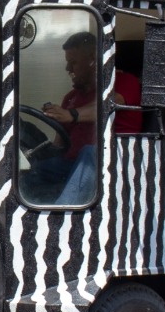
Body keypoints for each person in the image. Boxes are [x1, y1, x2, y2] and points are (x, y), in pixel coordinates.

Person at [30, 31, 141, 202]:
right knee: (31, 170)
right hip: (70, 166)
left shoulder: (125, 82)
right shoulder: (70, 97)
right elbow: (58, 145)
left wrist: (72, 115)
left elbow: (108, 104)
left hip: (112, 164)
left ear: (92, 60)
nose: (68, 69)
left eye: (73, 63)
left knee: (90, 152)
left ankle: (64, 219)